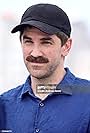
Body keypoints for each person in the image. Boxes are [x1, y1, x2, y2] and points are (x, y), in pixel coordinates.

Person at [1, 3, 90, 133]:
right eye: (28, 41)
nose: (35, 53)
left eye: (46, 42)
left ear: (66, 47)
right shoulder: (4, 105)